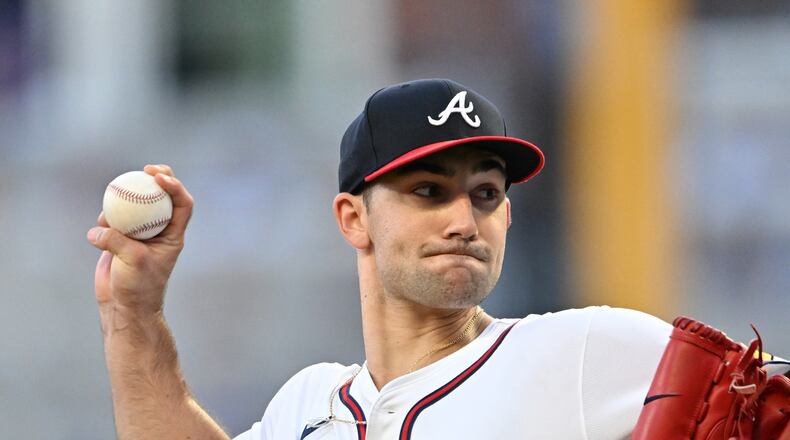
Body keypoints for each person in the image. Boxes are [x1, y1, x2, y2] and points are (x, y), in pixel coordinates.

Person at [86, 78, 673, 439]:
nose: (464, 222)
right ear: (353, 218)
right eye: (428, 191)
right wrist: (132, 315)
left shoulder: (585, 353)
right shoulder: (308, 407)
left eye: (486, 194)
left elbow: (762, 389)